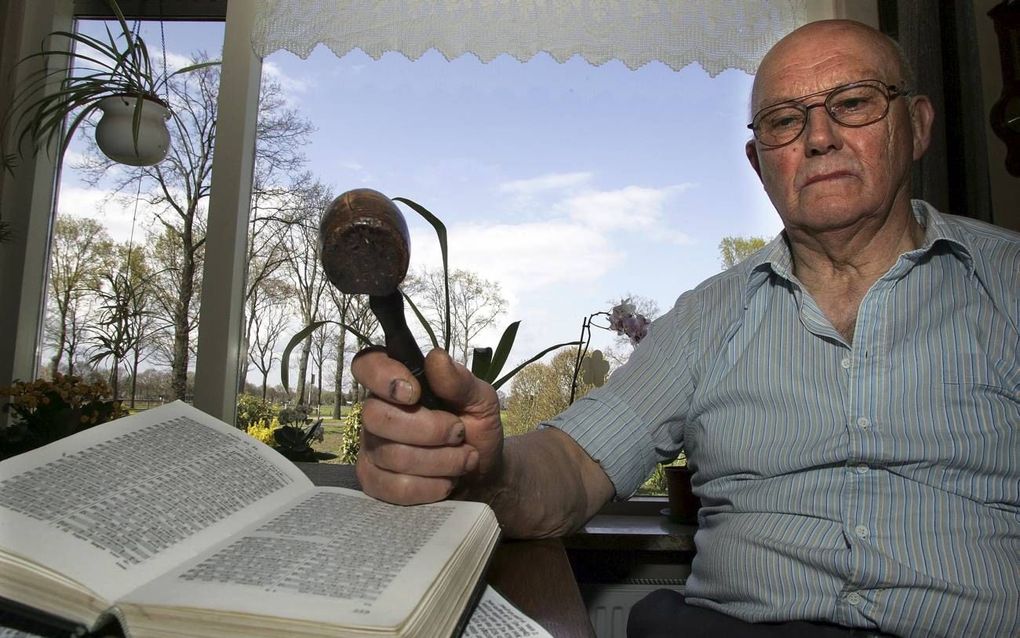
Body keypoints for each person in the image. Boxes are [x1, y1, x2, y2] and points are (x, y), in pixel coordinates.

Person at [349, 19, 1019, 638]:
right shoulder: (706, 317)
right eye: (786, 121)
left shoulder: (1008, 284)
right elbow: (570, 468)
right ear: (761, 165)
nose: (819, 137)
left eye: (854, 103)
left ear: (918, 125)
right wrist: (478, 461)